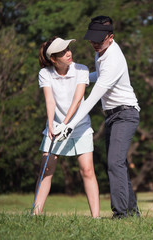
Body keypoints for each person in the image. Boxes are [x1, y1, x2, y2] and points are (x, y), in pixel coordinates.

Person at [57, 16, 141, 218]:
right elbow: (97, 76)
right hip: (112, 115)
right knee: (117, 163)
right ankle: (131, 214)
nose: (94, 43)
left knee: (114, 163)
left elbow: (93, 98)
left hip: (125, 113)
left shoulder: (114, 58)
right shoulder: (101, 52)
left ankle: (121, 215)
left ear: (110, 37)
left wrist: (69, 124)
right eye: (92, 39)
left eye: (99, 39)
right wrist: (78, 76)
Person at [33, 36, 100, 218]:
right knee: (46, 170)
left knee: (87, 170)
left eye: (68, 49)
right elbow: (50, 101)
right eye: (62, 52)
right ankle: (35, 214)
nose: (68, 53)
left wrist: (66, 124)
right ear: (54, 59)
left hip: (80, 127)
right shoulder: (45, 73)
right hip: (55, 127)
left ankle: (96, 217)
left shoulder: (81, 69)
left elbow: (78, 100)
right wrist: (52, 126)